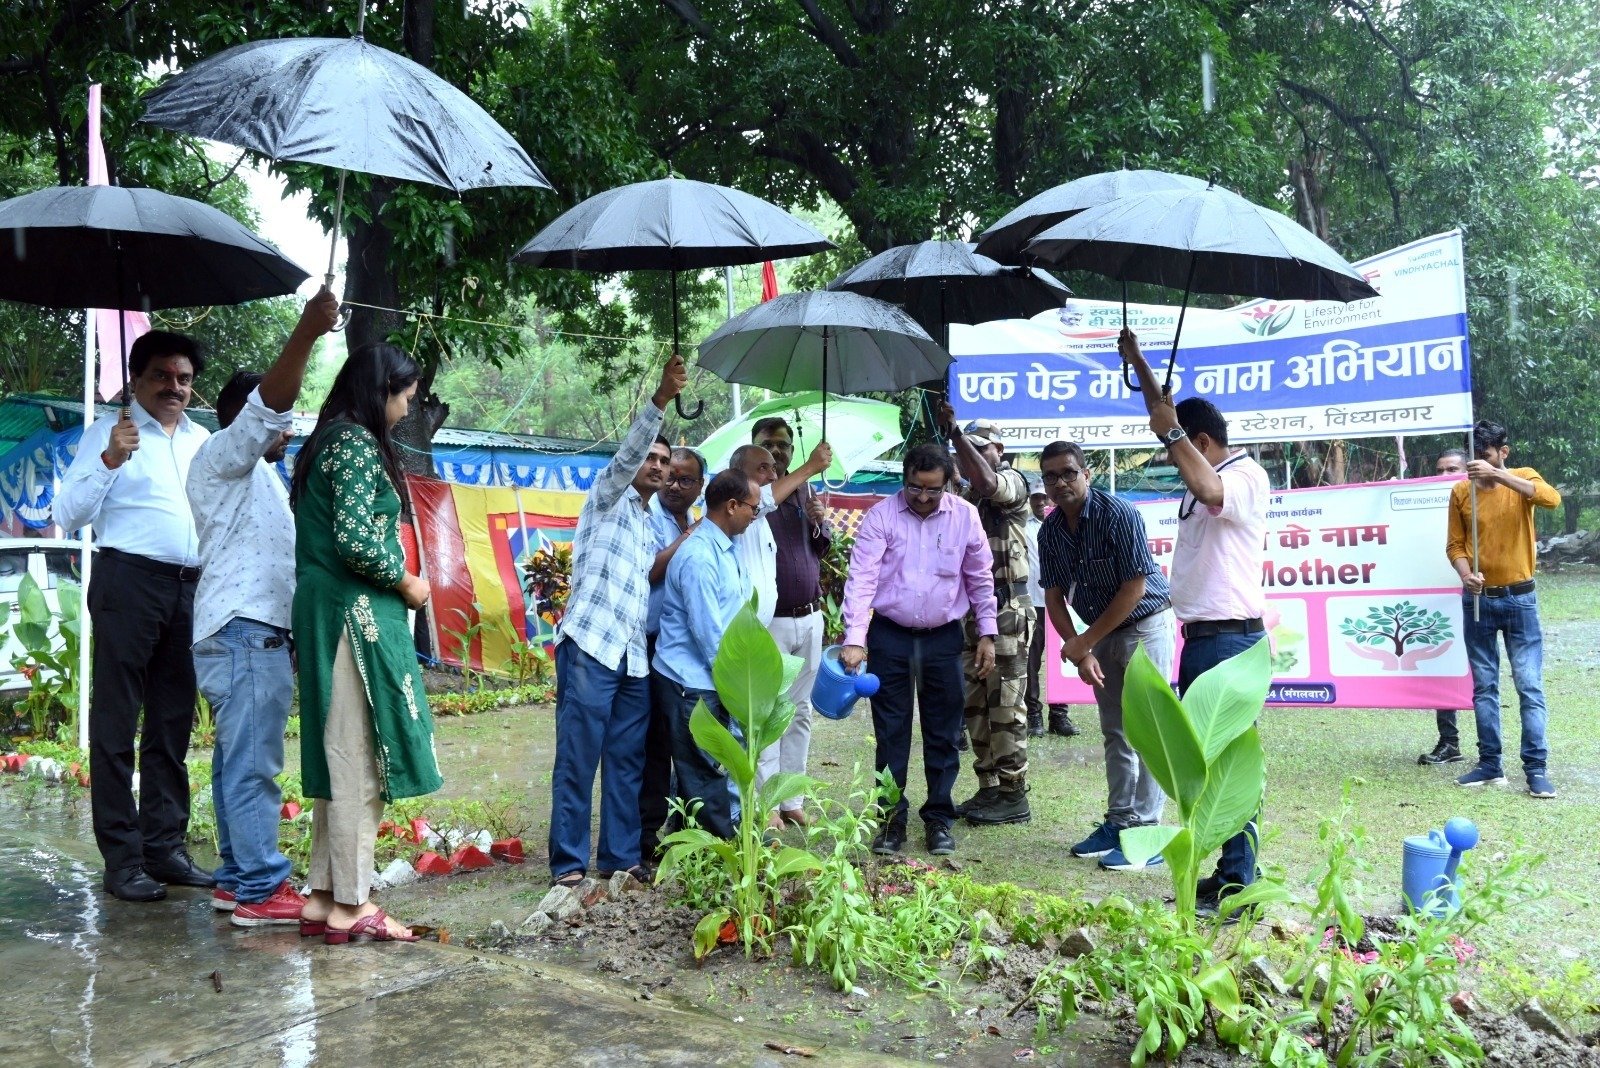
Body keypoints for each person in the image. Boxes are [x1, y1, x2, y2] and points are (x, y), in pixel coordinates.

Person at [188, 290, 339, 926]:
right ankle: (258, 887)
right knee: (254, 764)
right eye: (280, 416)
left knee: (236, 761)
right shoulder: (224, 455)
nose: (288, 424)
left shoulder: (263, 480)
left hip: (248, 635)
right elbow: (267, 408)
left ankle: (235, 877)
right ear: (244, 418)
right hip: (245, 634)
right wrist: (307, 331)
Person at [55, 330, 215, 902]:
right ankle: (121, 860)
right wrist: (110, 459)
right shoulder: (108, 433)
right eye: (161, 376)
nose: (174, 387)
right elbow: (67, 512)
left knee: (173, 722)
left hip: (191, 587)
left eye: (184, 378)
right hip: (129, 582)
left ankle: (164, 848)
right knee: (117, 723)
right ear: (136, 380)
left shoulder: (203, 441)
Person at [290, 343, 442, 944]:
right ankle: (353, 906)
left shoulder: (326, 441)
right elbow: (357, 541)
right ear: (381, 390)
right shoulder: (354, 444)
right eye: (405, 397)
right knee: (357, 759)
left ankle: (324, 895)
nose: (407, 410)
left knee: (337, 755)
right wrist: (408, 582)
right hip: (354, 617)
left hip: (328, 612)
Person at [1122, 328, 1272, 908]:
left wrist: (1173, 431)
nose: (1172, 459)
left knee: (1231, 761)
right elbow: (1166, 417)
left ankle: (1241, 879)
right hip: (1202, 639)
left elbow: (1207, 486)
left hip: (1230, 640)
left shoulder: (1244, 476)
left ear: (1204, 439)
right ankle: (1227, 871)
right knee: (1206, 759)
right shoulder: (1209, 463)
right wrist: (1138, 363)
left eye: (1182, 447)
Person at [548, 355, 688, 889]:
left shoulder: (653, 519)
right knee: (578, 759)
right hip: (590, 645)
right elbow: (628, 453)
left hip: (633, 655)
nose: (655, 466)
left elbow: (651, 578)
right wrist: (658, 400)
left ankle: (620, 860)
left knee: (627, 762)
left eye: (663, 462)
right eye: (650, 458)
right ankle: (567, 865)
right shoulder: (608, 495)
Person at [840, 444, 997, 858]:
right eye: (914, 488)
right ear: (903, 478)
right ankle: (890, 821)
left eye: (932, 489)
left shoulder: (965, 516)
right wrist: (855, 636)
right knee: (891, 732)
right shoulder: (880, 517)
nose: (923, 497)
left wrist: (987, 632)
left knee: (943, 731)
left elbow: (980, 577)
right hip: (890, 636)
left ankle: (939, 820)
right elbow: (861, 578)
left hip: (944, 638)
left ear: (948, 484)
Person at [1037, 438, 1175, 873]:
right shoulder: (1050, 530)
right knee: (1116, 731)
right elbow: (1054, 597)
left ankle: (1149, 831)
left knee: (1149, 731)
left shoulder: (1120, 515)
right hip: (1100, 633)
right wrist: (1081, 651)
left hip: (1144, 625)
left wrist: (1085, 640)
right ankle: (1119, 822)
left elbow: (1134, 588)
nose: (1060, 482)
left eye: (1069, 473)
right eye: (1051, 476)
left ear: (1087, 474)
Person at [1447, 420, 1561, 798]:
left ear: (1502, 453)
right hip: (1479, 600)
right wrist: (1467, 576)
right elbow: (1456, 546)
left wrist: (1499, 475)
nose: (1478, 466)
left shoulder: (1522, 479)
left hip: (1520, 599)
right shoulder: (1461, 492)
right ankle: (1490, 764)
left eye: (1487, 457)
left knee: (1529, 685)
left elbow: (1550, 499)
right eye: (1474, 459)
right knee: (1484, 687)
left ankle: (1536, 768)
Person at [653, 469, 763, 839]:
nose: (755, 515)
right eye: (753, 508)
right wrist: (737, 686)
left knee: (695, 770)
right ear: (732, 506)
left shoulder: (725, 548)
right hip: (691, 681)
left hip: (708, 678)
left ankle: (684, 845)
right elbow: (708, 633)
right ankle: (724, 851)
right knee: (704, 771)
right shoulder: (700, 556)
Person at [939, 407, 1035, 827]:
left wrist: (956, 432)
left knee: (1005, 706)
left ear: (999, 449)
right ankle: (989, 786)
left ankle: (1014, 794)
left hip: (1007, 611)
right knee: (976, 705)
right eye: (963, 450)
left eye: (980, 448)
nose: (968, 455)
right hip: (970, 616)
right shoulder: (962, 498)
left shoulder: (1012, 482)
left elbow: (988, 482)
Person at [752, 416, 832, 830]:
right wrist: (808, 469)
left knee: (799, 711)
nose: (778, 451)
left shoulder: (802, 488)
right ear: (754, 448)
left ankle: (791, 800)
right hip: (771, 622)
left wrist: (819, 520)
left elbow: (817, 548)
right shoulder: (749, 491)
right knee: (769, 714)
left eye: (783, 444)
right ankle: (766, 802)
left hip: (809, 617)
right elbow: (765, 501)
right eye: (769, 444)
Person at [640, 446, 705, 861]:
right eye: (669, 476)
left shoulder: (694, 521)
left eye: (685, 480)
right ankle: (646, 834)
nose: (673, 485)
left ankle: (683, 826)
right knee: (653, 744)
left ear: (700, 486)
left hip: (681, 650)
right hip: (649, 645)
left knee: (684, 738)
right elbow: (650, 570)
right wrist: (687, 539)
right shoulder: (651, 517)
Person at [1419, 449, 1470, 765]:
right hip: (1436, 596)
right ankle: (1449, 741)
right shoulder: (1423, 502)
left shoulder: (1479, 501)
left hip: (1475, 594)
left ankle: (1489, 750)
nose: (1444, 476)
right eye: (1439, 470)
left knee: (1480, 671)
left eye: (1452, 469)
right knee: (1444, 665)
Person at [1024, 490, 1079, 738]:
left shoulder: (1070, 523)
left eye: (1045, 497)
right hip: (1032, 604)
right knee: (1030, 663)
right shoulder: (1023, 527)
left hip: (1062, 604)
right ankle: (1033, 716)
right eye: (1036, 497)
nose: (1041, 502)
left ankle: (1059, 715)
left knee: (1062, 661)